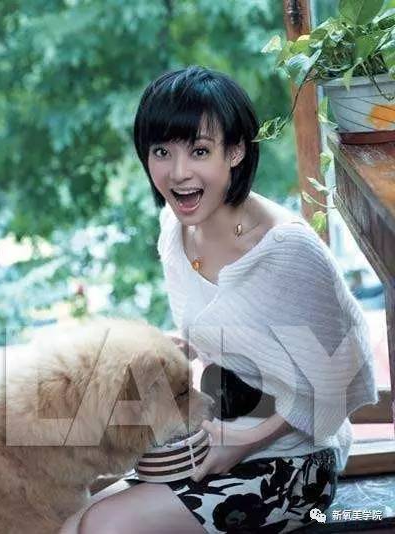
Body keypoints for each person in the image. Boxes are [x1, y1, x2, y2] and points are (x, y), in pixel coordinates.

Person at [62, 66, 378, 533]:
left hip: (294, 463)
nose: (178, 172)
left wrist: (249, 441)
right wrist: (177, 348)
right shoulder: (174, 232)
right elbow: (230, 337)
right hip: (216, 437)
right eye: (162, 152)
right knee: (70, 522)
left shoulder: (286, 250)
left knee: (104, 526)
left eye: (199, 151)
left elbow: (346, 377)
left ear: (235, 152)